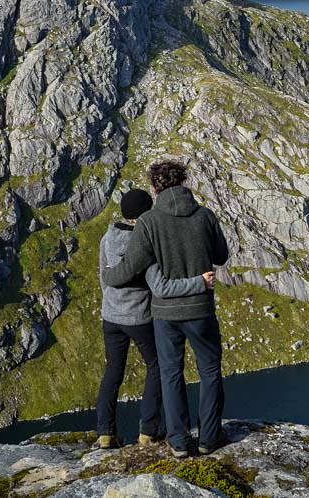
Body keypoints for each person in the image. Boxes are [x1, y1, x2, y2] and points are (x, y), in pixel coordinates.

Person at [103, 160, 230, 458]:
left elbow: (131, 266)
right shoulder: (205, 216)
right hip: (200, 310)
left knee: (171, 372)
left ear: (155, 186)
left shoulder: (149, 222)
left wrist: (108, 276)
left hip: (164, 314)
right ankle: (208, 438)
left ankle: (178, 441)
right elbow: (221, 256)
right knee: (210, 369)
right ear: (184, 181)